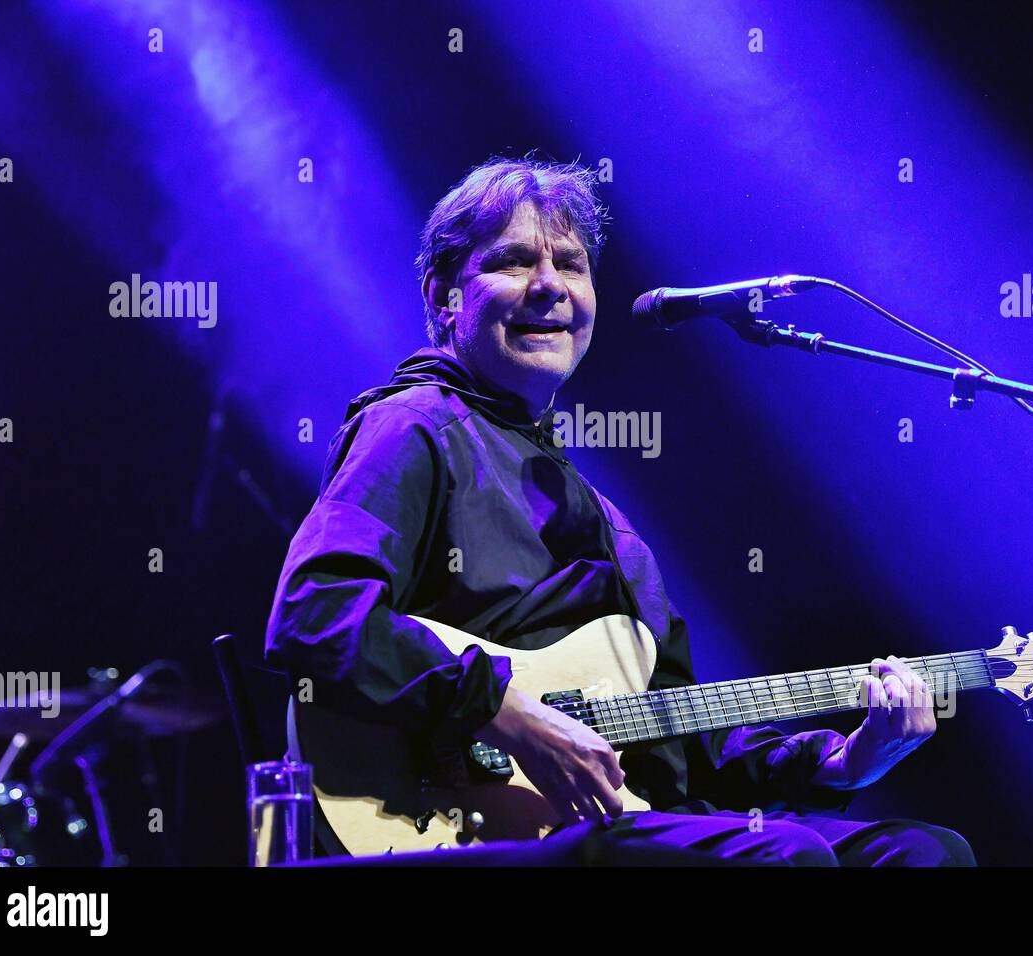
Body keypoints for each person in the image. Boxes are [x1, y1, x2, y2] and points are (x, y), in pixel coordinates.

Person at [264, 155, 975, 866]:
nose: (549, 287)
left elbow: (681, 751)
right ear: (445, 296)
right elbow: (317, 610)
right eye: (514, 262)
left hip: (611, 824)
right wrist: (505, 713)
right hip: (453, 823)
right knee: (787, 858)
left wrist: (847, 760)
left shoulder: (609, 525)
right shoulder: (418, 425)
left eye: (570, 265)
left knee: (925, 854)